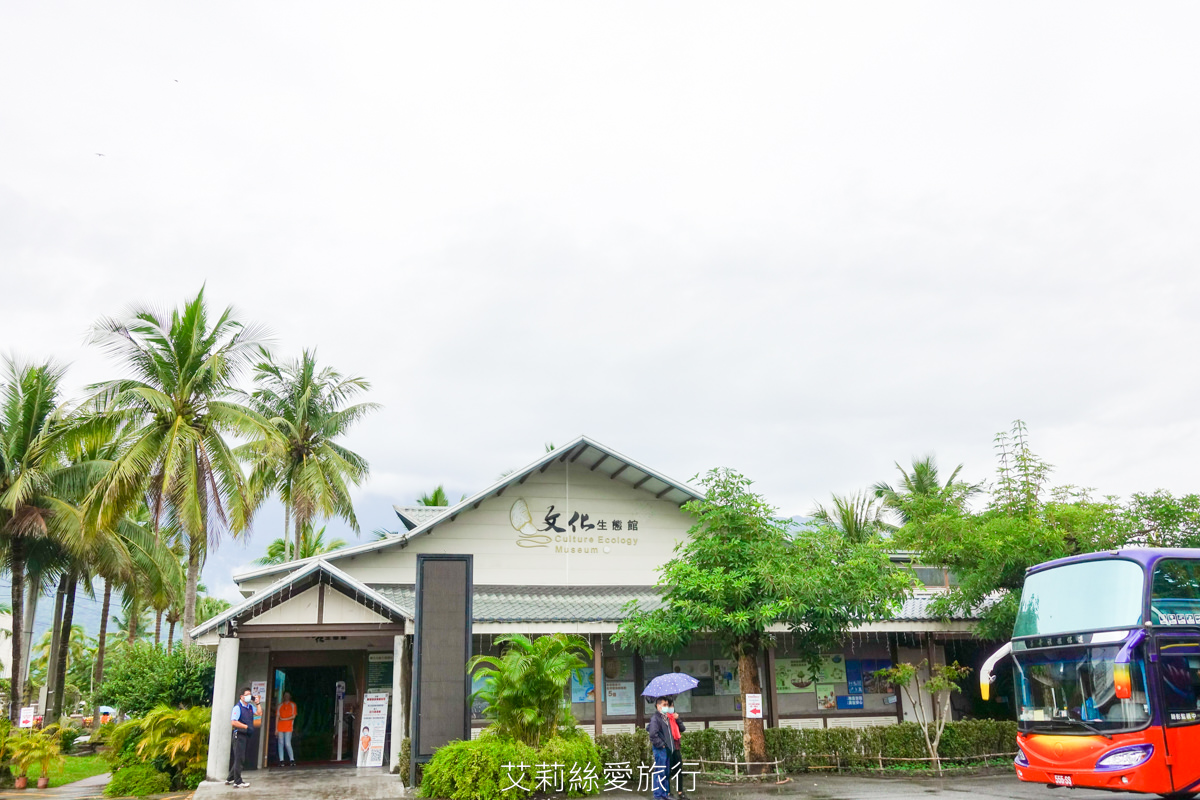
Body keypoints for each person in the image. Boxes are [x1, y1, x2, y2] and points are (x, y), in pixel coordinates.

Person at [227, 688, 258, 788]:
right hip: (239, 734)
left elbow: (259, 713)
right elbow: (233, 721)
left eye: (250, 694)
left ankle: (230, 778)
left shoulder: (249, 706)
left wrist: (257, 703)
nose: (249, 696)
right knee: (239, 758)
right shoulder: (237, 707)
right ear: (242, 696)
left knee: (239, 758)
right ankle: (238, 781)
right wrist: (245, 727)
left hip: (246, 735)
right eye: (247, 694)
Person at [647, 697, 674, 800]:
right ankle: (658, 796)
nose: (666, 707)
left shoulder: (664, 717)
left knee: (666, 772)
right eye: (664, 705)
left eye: (667, 705)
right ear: (658, 706)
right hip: (660, 749)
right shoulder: (656, 718)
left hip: (666, 749)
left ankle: (664, 794)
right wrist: (661, 744)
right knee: (660, 771)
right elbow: (653, 734)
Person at [664, 696, 689, 800]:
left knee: (678, 770)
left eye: (672, 706)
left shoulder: (675, 717)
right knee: (667, 771)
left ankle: (680, 792)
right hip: (667, 748)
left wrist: (677, 719)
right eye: (669, 706)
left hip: (676, 747)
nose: (671, 708)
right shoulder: (663, 718)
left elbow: (682, 729)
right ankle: (668, 792)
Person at [276, 691, 297, 766]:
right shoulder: (280, 705)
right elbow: (277, 717)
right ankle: (281, 760)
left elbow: (293, 716)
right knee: (280, 743)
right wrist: (276, 729)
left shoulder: (292, 705)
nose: (286, 697)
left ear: (290, 696)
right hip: (280, 727)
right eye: (285, 695)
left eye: (288, 695)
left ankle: (292, 759)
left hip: (288, 727)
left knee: (287, 743)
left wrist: (284, 719)